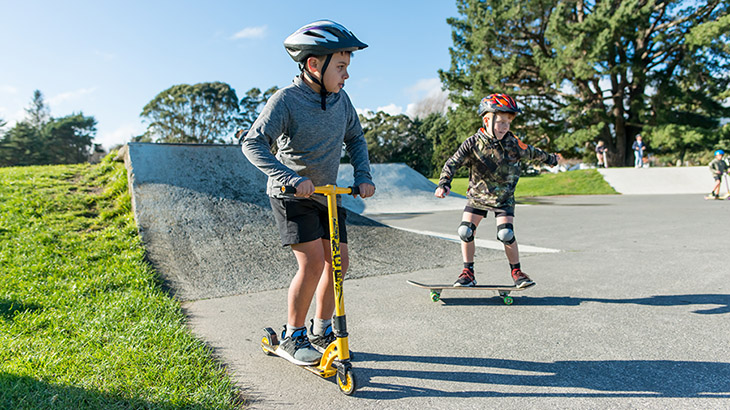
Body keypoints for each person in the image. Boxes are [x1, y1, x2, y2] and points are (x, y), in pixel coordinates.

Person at [241, 20, 375, 366]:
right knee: (314, 262)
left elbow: (356, 139)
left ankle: (321, 328)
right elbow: (253, 143)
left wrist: (363, 174)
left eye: (347, 67)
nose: (346, 75)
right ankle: (292, 335)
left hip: (327, 195)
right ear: (314, 64)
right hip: (291, 196)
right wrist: (288, 177)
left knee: (339, 261)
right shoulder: (286, 100)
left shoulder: (342, 101)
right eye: (341, 67)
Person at [434, 94, 560, 288]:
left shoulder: (513, 144)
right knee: (465, 231)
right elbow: (453, 162)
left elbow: (534, 152)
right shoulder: (472, 143)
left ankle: (517, 272)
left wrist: (551, 159)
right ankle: (468, 272)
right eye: (500, 123)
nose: (504, 128)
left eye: (508, 124)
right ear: (487, 120)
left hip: (503, 198)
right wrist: (444, 183)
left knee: (506, 234)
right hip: (477, 197)